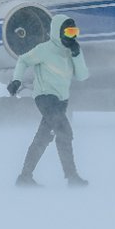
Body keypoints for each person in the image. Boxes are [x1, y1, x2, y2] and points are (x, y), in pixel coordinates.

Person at [7, 14, 90, 187]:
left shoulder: (71, 51)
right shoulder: (44, 49)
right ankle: (72, 177)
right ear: (58, 32)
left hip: (61, 101)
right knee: (65, 132)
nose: (72, 37)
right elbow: (23, 60)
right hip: (45, 97)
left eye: (75, 32)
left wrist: (76, 54)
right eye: (68, 32)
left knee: (43, 137)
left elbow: (82, 76)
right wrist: (16, 80)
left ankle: (24, 177)